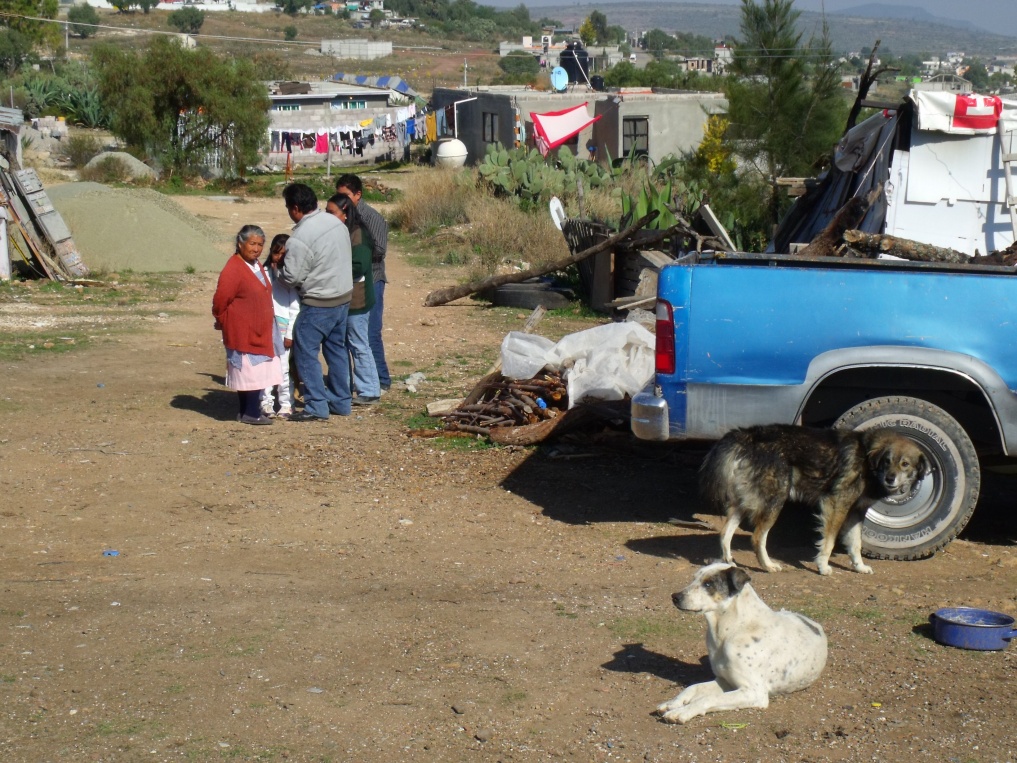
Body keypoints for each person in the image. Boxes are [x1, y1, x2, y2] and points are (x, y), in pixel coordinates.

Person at [279, 183, 353, 422]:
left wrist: (277, 269)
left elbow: (292, 277)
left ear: (296, 208)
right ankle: (341, 402)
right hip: (343, 298)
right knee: (337, 351)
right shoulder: (335, 222)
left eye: (289, 207)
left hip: (320, 302)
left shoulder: (300, 237)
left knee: (305, 352)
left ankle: (316, 406)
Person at [211, 224, 282, 426]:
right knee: (251, 371)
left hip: (259, 327)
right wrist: (221, 319)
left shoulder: (255, 264)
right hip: (244, 329)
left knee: (254, 371)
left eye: (260, 245)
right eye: (252, 244)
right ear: (240, 243)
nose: (256, 249)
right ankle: (250, 412)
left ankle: (247, 411)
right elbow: (221, 298)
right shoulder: (234, 268)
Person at [335, 173, 391, 392]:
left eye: (345, 196)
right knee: (352, 333)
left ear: (358, 195)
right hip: (351, 280)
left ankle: (381, 379)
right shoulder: (343, 216)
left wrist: (356, 254)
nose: (342, 201)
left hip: (373, 279)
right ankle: (362, 380)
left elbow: (380, 250)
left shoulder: (371, 218)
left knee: (371, 332)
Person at [325, 193, 380, 405]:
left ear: (345, 214)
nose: (328, 216)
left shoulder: (358, 235)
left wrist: (329, 270)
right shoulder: (341, 232)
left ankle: (369, 390)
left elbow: (358, 265)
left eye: (332, 212)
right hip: (343, 297)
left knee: (358, 344)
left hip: (356, 300)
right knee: (344, 344)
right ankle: (344, 387)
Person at [261, 234, 301, 419]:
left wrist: (290, 334)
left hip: (283, 328)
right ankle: (265, 403)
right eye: (276, 253)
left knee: (283, 368)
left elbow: (295, 308)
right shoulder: (263, 273)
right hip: (265, 326)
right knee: (264, 366)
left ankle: (286, 404)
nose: (279, 258)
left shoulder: (290, 279)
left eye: (284, 254)